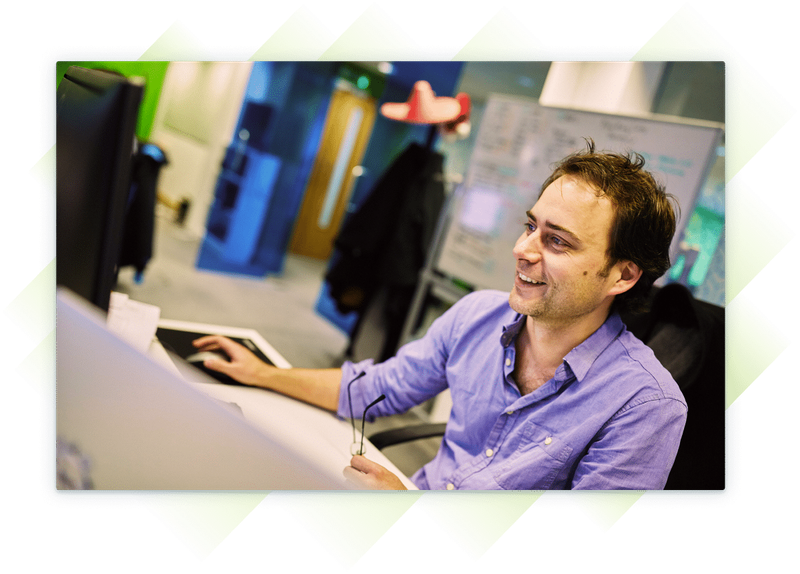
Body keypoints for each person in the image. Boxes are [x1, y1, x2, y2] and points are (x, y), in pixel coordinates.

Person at [193, 139, 688, 491]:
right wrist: (262, 373)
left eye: (556, 241)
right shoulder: (477, 315)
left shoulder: (646, 405)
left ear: (622, 276)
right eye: (530, 227)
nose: (522, 249)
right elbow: (373, 388)